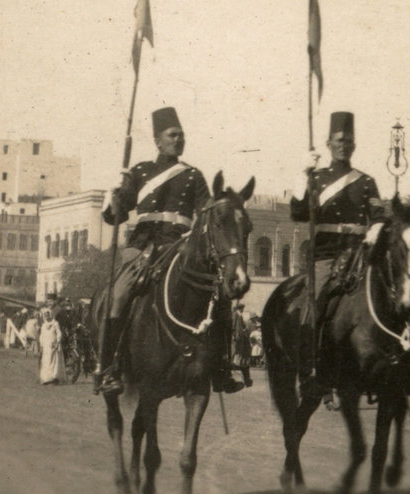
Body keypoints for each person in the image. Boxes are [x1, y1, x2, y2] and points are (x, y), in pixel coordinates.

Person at [96, 106, 244, 396]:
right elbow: (115, 217)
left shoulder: (193, 176)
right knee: (118, 295)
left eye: (181, 135)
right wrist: (113, 194)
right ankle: (109, 367)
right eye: (172, 135)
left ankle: (222, 366)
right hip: (142, 249)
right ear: (157, 140)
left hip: (179, 247)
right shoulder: (139, 172)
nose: (179, 140)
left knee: (220, 297)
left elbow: (206, 215)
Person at [290, 111, 385, 393]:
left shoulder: (366, 181)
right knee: (315, 304)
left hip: (359, 255)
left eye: (350, 141)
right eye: (340, 140)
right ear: (328, 143)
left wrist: (376, 228)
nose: (345, 145)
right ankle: (311, 365)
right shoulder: (317, 179)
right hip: (326, 254)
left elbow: (379, 214)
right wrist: (302, 175)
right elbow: (297, 214)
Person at [39, 309, 64, 385]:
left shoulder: (55, 324)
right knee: (46, 361)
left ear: (51, 315)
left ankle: (53, 378)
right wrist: (41, 345)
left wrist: (57, 341)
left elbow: (59, 333)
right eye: (45, 315)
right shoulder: (43, 325)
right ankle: (46, 378)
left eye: (48, 315)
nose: (47, 317)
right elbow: (42, 336)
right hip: (46, 346)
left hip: (53, 345)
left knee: (53, 361)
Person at [232, 302, 253, 387]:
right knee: (239, 359)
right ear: (239, 308)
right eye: (242, 308)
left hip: (240, 340)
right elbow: (233, 327)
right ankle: (247, 380)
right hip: (237, 340)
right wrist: (234, 336)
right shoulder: (236, 315)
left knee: (241, 360)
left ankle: (247, 380)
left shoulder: (239, 315)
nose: (243, 309)